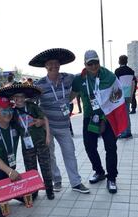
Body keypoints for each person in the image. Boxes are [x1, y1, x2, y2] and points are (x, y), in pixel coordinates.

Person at [29, 48, 89, 194]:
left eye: (56, 63)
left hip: (64, 126)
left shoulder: (68, 78)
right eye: (50, 64)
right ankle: (56, 180)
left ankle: (76, 182)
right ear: (46, 67)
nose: (54, 66)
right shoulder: (40, 84)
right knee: (50, 155)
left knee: (70, 152)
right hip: (47, 127)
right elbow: (30, 101)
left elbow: (82, 76)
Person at [71, 50, 123, 194]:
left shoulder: (109, 77)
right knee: (89, 147)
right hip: (89, 117)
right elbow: (71, 96)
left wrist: (105, 120)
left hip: (108, 116)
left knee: (111, 147)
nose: (94, 66)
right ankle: (99, 171)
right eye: (90, 63)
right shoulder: (79, 79)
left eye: (96, 62)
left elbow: (117, 97)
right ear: (85, 64)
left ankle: (111, 178)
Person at [10, 83, 55, 200]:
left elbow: (44, 119)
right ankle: (34, 190)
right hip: (27, 145)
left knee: (45, 166)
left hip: (40, 141)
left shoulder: (31, 106)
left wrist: (48, 136)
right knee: (30, 169)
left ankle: (49, 189)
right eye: (15, 97)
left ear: (24, 97)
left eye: (20, 97)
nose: (18, 99)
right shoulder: (13, 111)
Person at [115, 55, 135, 139]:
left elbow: (115, 84)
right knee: (127, 114)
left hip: (120, 95)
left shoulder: (117, 71)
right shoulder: (131, 71)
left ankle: (123, 133)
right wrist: (131, 95)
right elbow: (133, 84)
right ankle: (129, 132)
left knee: (121, 115)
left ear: (120, 61)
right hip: (128, 95)